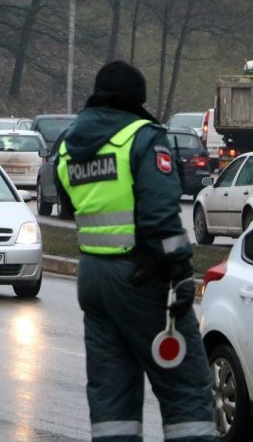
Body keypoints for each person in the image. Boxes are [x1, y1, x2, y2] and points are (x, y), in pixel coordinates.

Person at [56, 61, 214, 441]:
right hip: (143, 277)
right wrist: (179, 272)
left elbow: (68, 202)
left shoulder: (69, 143)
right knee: (186, 387)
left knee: (112, 397)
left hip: (93, 278)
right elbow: (162, 214)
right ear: (136, 99)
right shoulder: (143, 138)